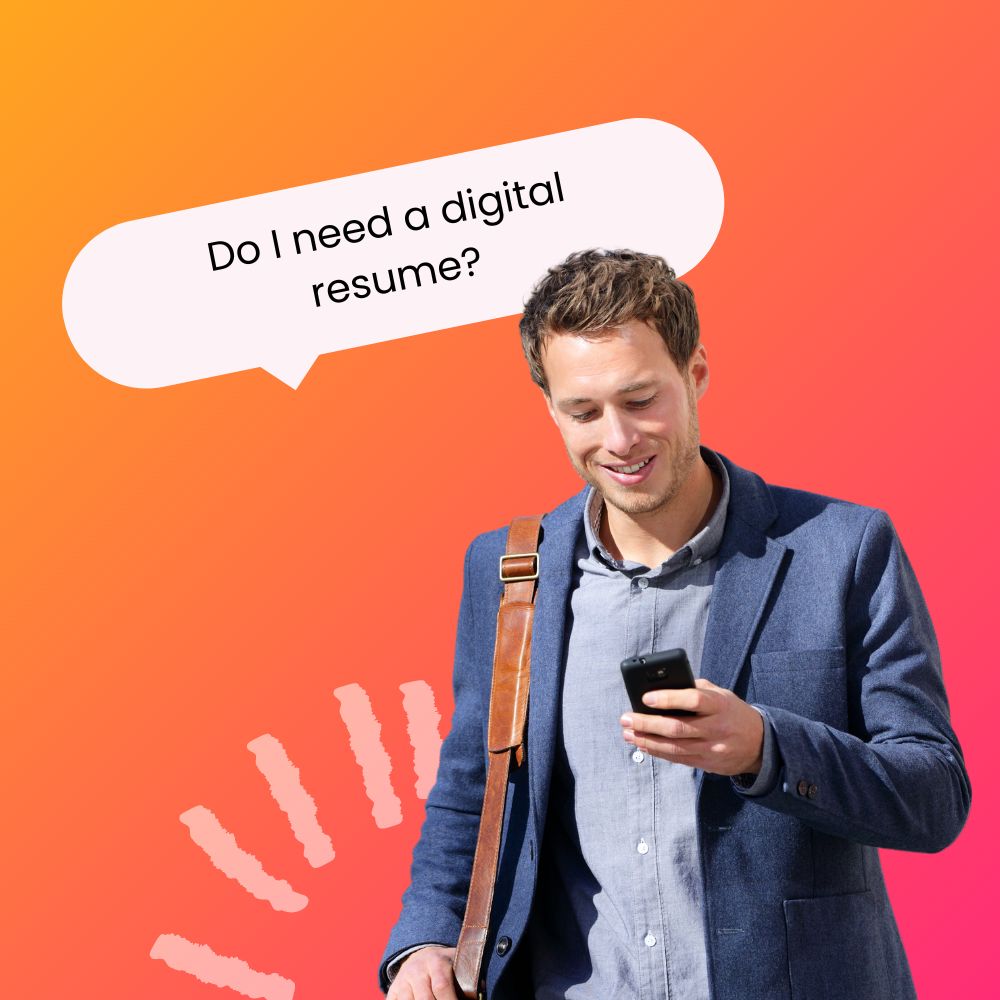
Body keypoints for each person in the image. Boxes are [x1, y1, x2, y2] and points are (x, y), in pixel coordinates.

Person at [378, 249, 971, 1000]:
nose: (619, 439)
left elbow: (934, 795)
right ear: (550, 408)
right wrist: (426, 939)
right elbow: (475, 787)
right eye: (584, 412)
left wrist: (765, 747)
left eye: (641, 399)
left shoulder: (844, 549)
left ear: (696, 373)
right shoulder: (506, 570)